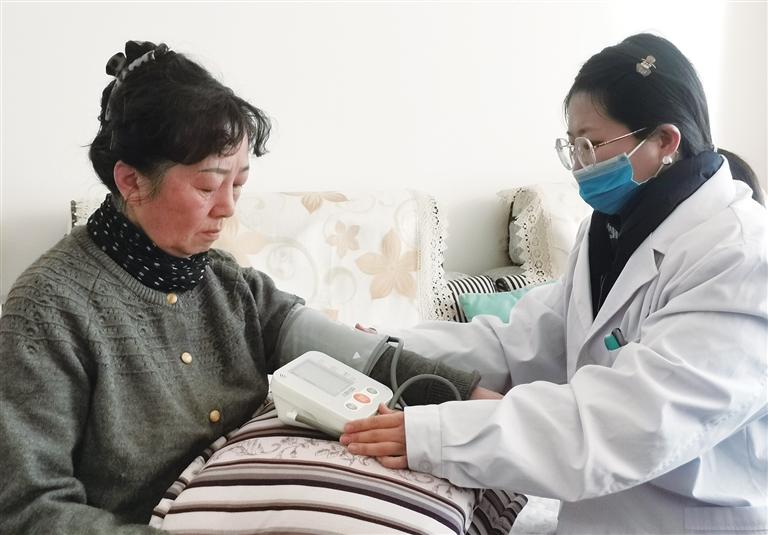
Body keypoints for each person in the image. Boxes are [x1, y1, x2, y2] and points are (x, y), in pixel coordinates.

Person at [0, 40, 488, 534]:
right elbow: (25, 508)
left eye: (239, 184)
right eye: (208, 186)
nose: (229, 207)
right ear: (131, 182)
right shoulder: (46, 310)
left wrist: (472, 401)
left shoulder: (227, 284)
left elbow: (361, 356)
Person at [341, 33, 768, 535]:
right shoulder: (609, 231)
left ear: (664, 142)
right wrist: (384, 348)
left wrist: (432, 436)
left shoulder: (741, 255)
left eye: (591, 145)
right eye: (573, 147)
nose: (581, 167)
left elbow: (628, 424)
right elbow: (520, 343)